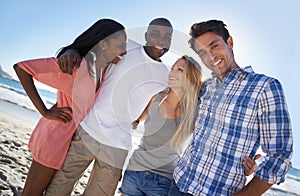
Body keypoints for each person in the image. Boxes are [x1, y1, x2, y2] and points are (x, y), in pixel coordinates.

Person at [45, 18, 174, 195]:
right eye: (155, 34)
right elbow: (92, 45)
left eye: (167, 36)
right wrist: (71, 50)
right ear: (146, 35)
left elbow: (154, 99)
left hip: (118, 146)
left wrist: (138, 119)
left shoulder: (165, 75)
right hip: (88, 131)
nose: (161, 40)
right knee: (58, 188)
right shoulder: (127, 47)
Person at [170, 19, 293, 195]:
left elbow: (280, 156)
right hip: (179, 182)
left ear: (230, 42)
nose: (211, 56)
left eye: (214, 46)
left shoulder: (264, 87)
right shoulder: (206, 88)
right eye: (202, 53)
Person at [14, 18, 127, 196]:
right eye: (120, 45)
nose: (124, 50)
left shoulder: (103, 69)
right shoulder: (75, 66)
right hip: (55, 138)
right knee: (32, 193)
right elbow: (22, 68)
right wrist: (44, 111)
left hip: (72, 141)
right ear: (103, 44)